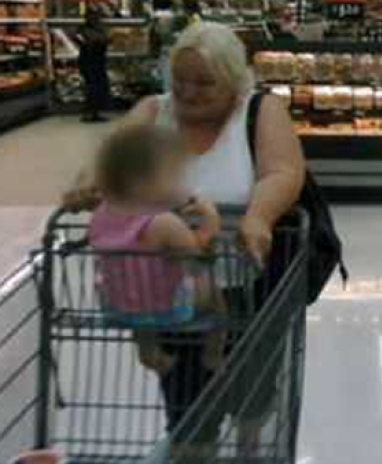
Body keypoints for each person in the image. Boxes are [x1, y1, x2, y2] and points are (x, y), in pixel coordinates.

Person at [65, 21, 306, 459]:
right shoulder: (153, 112)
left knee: (251, 383)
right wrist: (87, 184)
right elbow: (109, 158)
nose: (189, 92)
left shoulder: (260, 110)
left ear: (234, 78)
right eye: (180, 81)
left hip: (247, 281)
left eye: (204, 82)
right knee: (186, 393)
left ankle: (250, 445)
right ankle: (195, 445)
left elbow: (282, 172)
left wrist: (259, 216)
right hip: (165, 286)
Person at [89, 125, 227, 376]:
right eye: (176, 176)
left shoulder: (101, 214)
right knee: (215, 293)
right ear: (144, 182)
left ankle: (147, 349)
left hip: (119, 305)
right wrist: (211, 221)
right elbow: (199, 254)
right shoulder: (164, 223)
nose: (183, 184)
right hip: (171, 307)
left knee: (141, 294)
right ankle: (214, 352)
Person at [77, 8, 110, 123]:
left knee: (94, 86)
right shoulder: (89, 31)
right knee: (93, 87)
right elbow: (99, 41)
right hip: (92, 62)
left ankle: (93, 111)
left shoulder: (85, 30)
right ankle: (91, 112)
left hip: (92, 62)